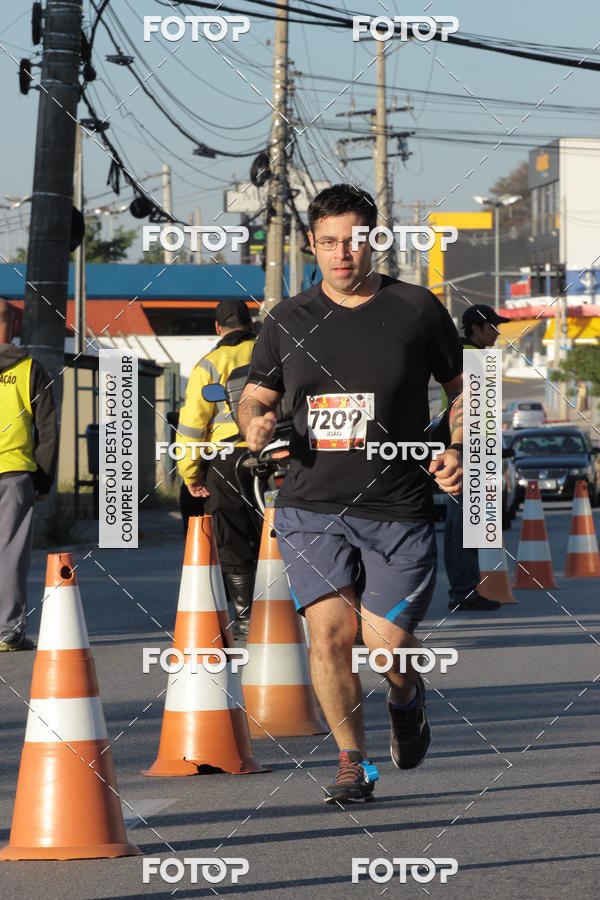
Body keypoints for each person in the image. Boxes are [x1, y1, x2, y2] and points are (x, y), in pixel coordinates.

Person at [237, 184, 464, 803]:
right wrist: (251, 421)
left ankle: (405, 696)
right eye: (330, 242)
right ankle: (351, 761)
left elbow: (466, 389)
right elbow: (256, 394)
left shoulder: (416, 309)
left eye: (355, 241)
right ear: (312, 244)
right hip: (312, 505)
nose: (343, 254)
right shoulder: (287, 319)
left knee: (384, 643)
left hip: (398, 506)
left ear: (374, 241)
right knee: (331, 636)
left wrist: (457, 450)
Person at [176, 299, 260, 635]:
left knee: (231, 535)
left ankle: (246, 614)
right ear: (251, 324)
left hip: (227, 459)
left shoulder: (208, 366)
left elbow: (192, 427)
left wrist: (191, 474)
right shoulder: (273, 352)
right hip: (277, 453)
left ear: (217, 328)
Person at [442, 304, 510, 613]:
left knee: (466, 525)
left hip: (470, 449)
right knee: (464, 526)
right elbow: (471, 411)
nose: (497, 331)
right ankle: (463, 591)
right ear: (475, 329)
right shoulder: (472, 358)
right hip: (469, 452)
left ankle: (465, 589)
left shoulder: (466, 355)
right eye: (492, 326)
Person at [0, 299, 58, 651]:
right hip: (15, 475)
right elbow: (47, 429)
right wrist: (44, 478)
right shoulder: (30, 369)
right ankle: (7, 631)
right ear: (15, 326)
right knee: (10, 553)